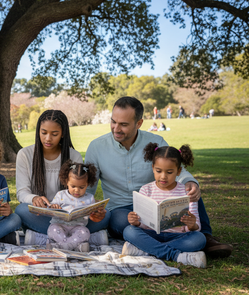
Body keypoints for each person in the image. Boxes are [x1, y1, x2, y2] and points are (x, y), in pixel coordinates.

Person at [85, 96, 232, 258]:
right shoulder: (96, 147)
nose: (116, 128)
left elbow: (174, 167)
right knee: (122, 223)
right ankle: (179, 248)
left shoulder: (155, 141)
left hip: (156, 201)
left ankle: (204, 236)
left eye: (123, 124)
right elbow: (88, 187)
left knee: (190, 190)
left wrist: (190, 182)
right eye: (113, 121)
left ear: (139, 123)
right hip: (121, 209)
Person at [15, 110, 109, 246]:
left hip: (73, 218)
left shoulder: (73, 156)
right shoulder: (25, 154)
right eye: (44, 132)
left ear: (63, 133)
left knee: (107, 216)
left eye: (54, 134)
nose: (48, 138)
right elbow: (22, 192)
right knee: (21, 210)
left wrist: (94, 211)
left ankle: (45, 238)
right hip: (44, 215)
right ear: (38, 131)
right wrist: (34, 199)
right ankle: (83, 239)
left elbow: (80, 188)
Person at [122, 143, 207, 268]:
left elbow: (197, 227)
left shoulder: (186, 191)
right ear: (152, 168)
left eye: (169, 172)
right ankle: (177, 256)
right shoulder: (146, 190)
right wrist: (136, 222)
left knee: (199, 238)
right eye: (158, 171)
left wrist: (192, 224)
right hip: (152, 234)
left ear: (178, 171)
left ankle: (145, 251)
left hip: (178, 236)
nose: (163, 176)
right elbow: (143, 223)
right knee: (129, 231)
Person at [41, 160, 104, 252]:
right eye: (73, 186)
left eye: (81, 187)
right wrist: (54, 206)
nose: (77, 190)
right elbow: (51, 208)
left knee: (85, 232)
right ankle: (74, 247)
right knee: (52, 229)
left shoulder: (89, 198)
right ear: (67, 182)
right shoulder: (60, 195)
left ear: (88, 184)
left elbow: (92, 216)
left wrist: (96, 213)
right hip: (60, 226)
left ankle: (59, 247)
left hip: (77, 227)